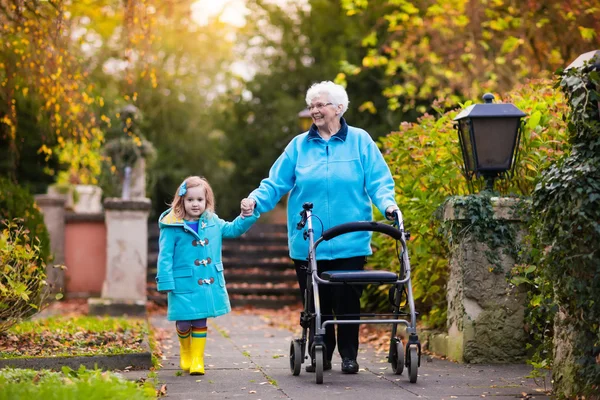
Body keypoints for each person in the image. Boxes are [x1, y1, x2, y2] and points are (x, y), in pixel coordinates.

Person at [240, 81, 399, 374]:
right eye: (312, 105)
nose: (315, 110)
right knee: (316, 301)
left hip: (351, 237)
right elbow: (275, 183)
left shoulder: (361, 141)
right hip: (308, 239)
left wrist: (389, 206)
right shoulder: (299, 146)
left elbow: (379, 182)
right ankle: (320, 353)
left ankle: (349, 356)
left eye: (320, 104)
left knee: (348, 301)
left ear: (339, 108)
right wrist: (254, 201)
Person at [156, 176, 259, 375]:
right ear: (182, 201)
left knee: (201, 321)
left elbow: (233, 229)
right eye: (190, 200)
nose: (195, 204)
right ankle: (185, 351)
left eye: (200, 200)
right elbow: (165, 256)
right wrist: (165, 280)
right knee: (184, 321)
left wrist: (247, 215)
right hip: (182, 283)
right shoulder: (172, 226)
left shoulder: (212, 222)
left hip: (205, 283)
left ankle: (197, 359)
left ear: (207, 201)